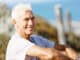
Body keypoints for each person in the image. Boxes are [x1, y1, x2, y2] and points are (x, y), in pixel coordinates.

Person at [6, 3, 78, 60]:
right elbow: (50, 55)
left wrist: (68, 48)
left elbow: (61, 47)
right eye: (26, 19)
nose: (31, 23)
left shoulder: (36, 39)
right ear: (15, 22)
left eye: (32, 18)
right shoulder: (16, 43)